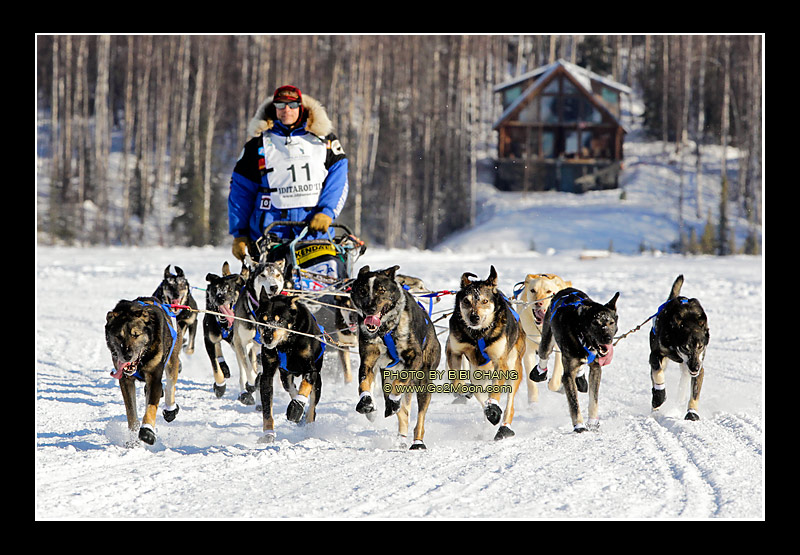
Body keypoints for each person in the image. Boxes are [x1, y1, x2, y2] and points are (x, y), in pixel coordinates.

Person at [228, 85, 349, 262]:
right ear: (273, 108)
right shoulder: (257, 145)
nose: (286, 110)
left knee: (321, 286)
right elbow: (240, 193)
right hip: (269, 234)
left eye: (292, 105)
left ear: (301, 107)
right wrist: (240, 234)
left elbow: (338, 181)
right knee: (268, 288)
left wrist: (327, 212)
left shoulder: (325, 141)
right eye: (281, 105)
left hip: (313, 232)